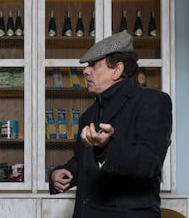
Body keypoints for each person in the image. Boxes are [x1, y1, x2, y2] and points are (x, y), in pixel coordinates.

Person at [48, 31, 172, 218]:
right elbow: (85, 161)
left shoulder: (153, 102)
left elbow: (149, 163)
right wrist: (62, 174)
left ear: (117, 69)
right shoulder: (88, 114)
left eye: (93, 65)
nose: (86, 70)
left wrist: (107, 146)